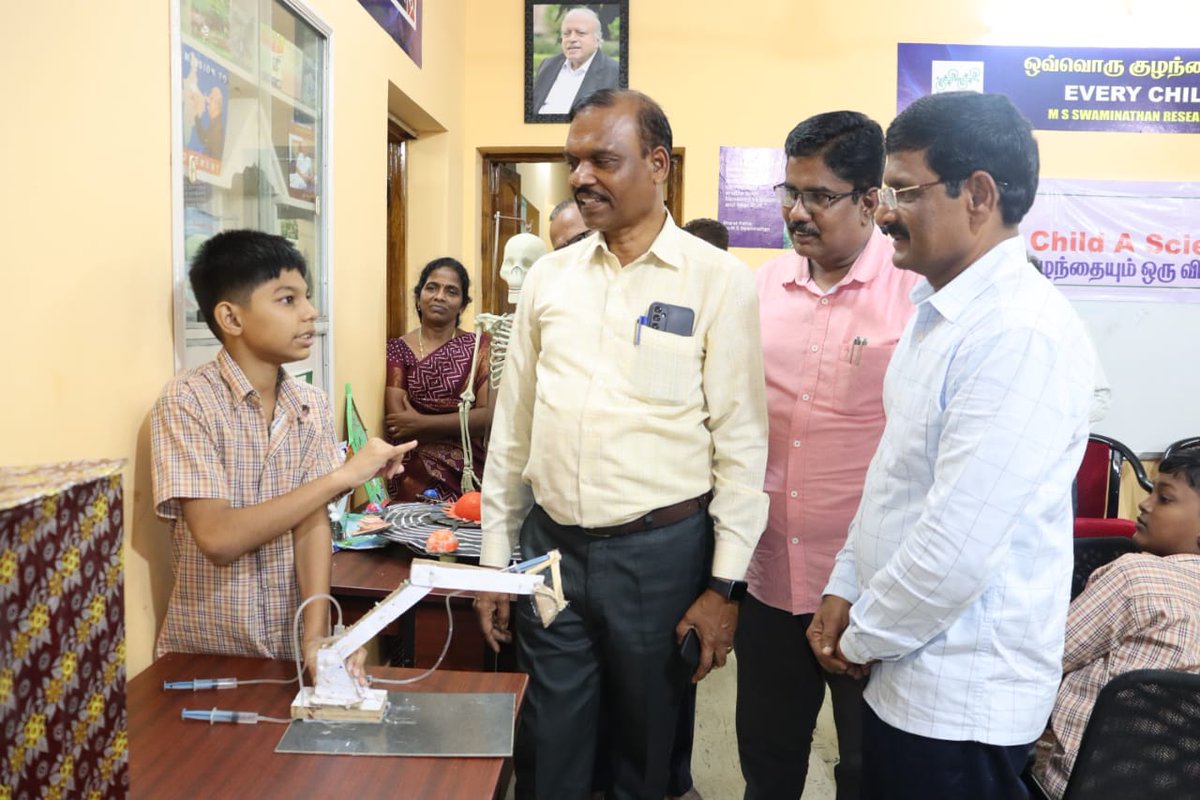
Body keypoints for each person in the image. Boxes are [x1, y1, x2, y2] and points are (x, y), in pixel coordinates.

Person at [475, 88, 769, 800]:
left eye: (603, 159)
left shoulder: (719, 281)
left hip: (659, 557)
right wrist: (493, 557)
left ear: (658, 164)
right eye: (574, 161)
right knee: (550, 734)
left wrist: (723, 585)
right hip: (550, 550)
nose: (580, 177)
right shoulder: (549, 278)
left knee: (646, 745)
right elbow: (512, 427)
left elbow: (741, 442)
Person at [809, 91, 1096, 800]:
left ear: (978, 195)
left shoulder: (1018, 333)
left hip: (961, 700)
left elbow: (956, 546)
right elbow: (895, 479)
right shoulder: (939, 313)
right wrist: (847, 583)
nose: (883, 212)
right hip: (907, 675)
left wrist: (861, 634)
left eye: (905, 189)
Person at [738, 112, 918, 800]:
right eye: (789, 193)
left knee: (869, 769)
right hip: (768, 580)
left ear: (872, 200)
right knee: (767, 757)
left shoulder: (913, 292)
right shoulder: (762, 287)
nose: (796, 213)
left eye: (819, 196)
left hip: (869, 590)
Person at [151, 229, 411, 677]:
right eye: (287, 300)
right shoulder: (187, 401)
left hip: (289, 649)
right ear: (231, 318)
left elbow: (311, 523)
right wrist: (343, 477)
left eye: (306, 297)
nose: (310, 313)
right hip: (208, 653)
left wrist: (315, 635)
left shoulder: (310, 404)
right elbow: (218, 539)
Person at [1031, 449, 1200, 798]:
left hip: (1083, 788)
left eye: (1164, 498)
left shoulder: (1134, 578)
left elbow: (1044, 658)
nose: (1144, 504)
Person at [385, 257, 494, 501]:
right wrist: (461, 420)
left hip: (468, 469)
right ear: (418, 296)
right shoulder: (397, 349)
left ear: (463, 305)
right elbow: (399, 424)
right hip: (413, 467)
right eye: (432, 287)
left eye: (451, 291)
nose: (440, 296)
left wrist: (421, 423)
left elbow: (486, 418)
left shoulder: (480, 347)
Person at [532, 7, 620, 116]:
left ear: (597, 40)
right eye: (566, 33)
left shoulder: (615, 73)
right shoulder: (548, 65)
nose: (572, 39)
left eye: (580, 33)